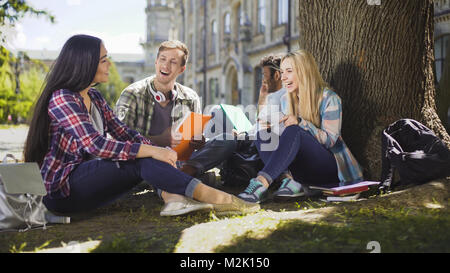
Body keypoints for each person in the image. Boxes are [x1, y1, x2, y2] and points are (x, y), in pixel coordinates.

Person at [23, 34, 259, 216]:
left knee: (148, 158)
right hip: (63, 191)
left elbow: (124, 132)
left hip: (91, 183)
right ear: (86, 64)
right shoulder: (63, 97)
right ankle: (217, 199)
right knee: (141, 159)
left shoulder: (94, 97)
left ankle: (183, 194)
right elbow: (95, 145)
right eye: (104, 60)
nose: (109, 65)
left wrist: (162, 154)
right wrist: (155, 148)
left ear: (181, 69)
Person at [115, 40, 238, 215]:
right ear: (156, 62)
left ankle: (181, 175)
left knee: (228, 139)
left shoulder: (191, 96)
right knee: (154, 163)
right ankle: (181, 180)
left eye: (173, 62)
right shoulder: (132, 93)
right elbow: (119, 140)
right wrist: (160, 140)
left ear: (182, 69)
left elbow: (196, 137)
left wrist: (199, 141)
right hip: (147, 161)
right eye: (163, 59)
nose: (166, 65)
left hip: (183, 160)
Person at [238, 50, 364, 203]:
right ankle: (289, 181)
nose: (283, 77)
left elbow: (330, 140)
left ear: (304, 72)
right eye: (282, 72)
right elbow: (288, 141)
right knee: (263, 135)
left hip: (329, 168)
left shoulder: (329, 98)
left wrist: (301, 123)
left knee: (295, 130)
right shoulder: (286, 100)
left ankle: (260, 183)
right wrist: (270, 127)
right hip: (301, 170)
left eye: (289, 71)